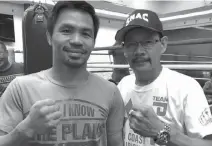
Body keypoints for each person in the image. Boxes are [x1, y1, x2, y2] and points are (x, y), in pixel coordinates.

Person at [0, 1, 124, 146]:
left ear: (93, 41)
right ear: (49, 37)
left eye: (86, 33)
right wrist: (25, 131)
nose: (77, 41)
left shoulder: (111, 92)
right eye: (66, 30)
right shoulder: (20, 89)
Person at [115, 9, 212, 146]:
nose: (139, 51)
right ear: (124, 50)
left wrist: (160, 131)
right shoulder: (123, 85)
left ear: (163, 45)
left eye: (148, 42)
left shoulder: (186, 88)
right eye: (131, 44)